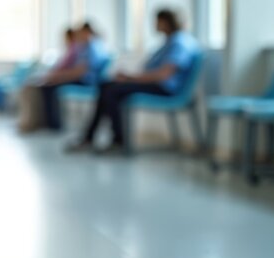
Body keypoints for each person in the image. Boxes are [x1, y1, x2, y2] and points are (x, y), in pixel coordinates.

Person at [68, 9, 200, 154]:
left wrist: (131, 78)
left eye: (157, 21)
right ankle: (94, 138)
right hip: (156, 84)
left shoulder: (179, 43)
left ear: (166, 22)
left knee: (111, 90)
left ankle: (115, 141)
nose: (154, 24)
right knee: (107, 86)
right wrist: (128, 78)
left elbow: (163, 75)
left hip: (164, 89)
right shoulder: (171, 42)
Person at [35, 24, 109, 131]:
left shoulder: (92, 48)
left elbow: (80, 72)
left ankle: (53, 125)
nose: (78, 36)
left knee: (50, 87)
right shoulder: (86, 47)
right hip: (80, 78)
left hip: (86, 81)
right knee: (48, 85)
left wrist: (59, 77)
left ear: (87, 33)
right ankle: (49, 123)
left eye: (80, 33)